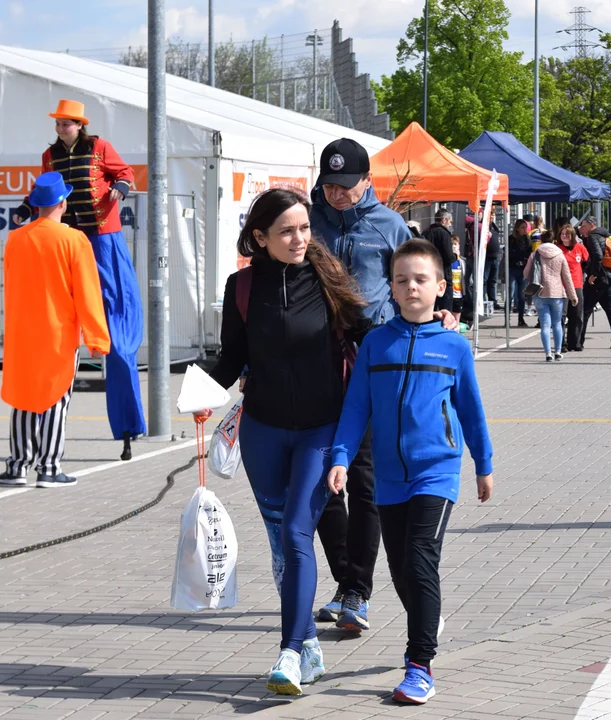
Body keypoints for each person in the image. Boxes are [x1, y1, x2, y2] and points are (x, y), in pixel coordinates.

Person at [205, 188, 370, 695]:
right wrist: (199, 388)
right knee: (281, 545)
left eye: (304, 228)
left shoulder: (328, 281)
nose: (300, 239)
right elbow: (232, 358)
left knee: (298, 532)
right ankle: (308, 646)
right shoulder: (242, 289)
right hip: (263, 434)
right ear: (261, 238)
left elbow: (370, 335)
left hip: (322, 431)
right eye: (287, 231)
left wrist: (431, 323)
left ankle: (290, 653)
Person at [326, 239, 493, 705]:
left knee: (419, 558)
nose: (411, 286)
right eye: (401, 280)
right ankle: (427, 611)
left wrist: (484, 464)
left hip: (436, 473)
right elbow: (357, 406)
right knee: (401, 569)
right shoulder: (377, 343)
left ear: (441, 287)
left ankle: (419, 665)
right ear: (391, 289)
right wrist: (340, 456)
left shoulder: (453, 346)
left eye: (420, 279)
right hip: (388, 476)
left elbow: (472, 411)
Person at [310, 137, 443, 634]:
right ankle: (346, 579)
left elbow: (418, 283)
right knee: (320, 474)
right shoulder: (310, 221)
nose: (338, 195)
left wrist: (438, 318)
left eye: (346, 187)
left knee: (363, 475)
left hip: (371, 357)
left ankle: (358, 592)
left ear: (368, 182)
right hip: (318, 357)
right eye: (330, 186)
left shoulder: (389, 225)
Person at [13, 100, 144, 461]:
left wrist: (121, 187)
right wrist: (25, 209)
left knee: (117, 341)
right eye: (57, 123)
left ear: (79, 125)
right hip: (68, 241)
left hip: (104, 241)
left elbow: (126, 174)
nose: (61, 128)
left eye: (66, 123)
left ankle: (128, 425)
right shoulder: (50, 156)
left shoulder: (99, 147)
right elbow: (43, 191)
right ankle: (38, 440)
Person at [0, 172, 111, 488]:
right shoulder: (74, 240)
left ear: (35, 205)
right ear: (63, 203)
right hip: (58, 333)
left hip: (22, 332)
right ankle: (48, 467)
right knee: (55, 399)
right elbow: (87, 292)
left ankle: (17, 466)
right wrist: (97, 337)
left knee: (23, 397)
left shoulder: (16, 238)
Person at [524, 238, 578, 361]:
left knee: (545, 326)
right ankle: (558, 352)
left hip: (540, 293)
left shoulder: (535, 253)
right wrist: (573, 296)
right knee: (557, 324)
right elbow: (567, 277)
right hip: (558, 294)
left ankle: (548, 354)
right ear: (554, 242)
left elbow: (526, 273)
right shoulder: (560, 255)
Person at [578, 218, 611, 350]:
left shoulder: (593, 237)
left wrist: (594, 274)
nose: (582, 229)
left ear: (591, 226)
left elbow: (598, 256)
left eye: (584, 226)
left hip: (599, 280)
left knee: (585, 310)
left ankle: (578, 341)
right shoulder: (607, 236)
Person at [556, 224, 588, 352]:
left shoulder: (580, 248)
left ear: (573, 236)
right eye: (563, 234)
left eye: (567, 234)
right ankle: (561, 343)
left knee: (577, 316)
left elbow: (587, 261)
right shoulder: (557, 249)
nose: (565, 236)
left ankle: (575, 342)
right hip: (561, 286)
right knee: (561, 316)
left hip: (577, 285)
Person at [424, 210, 456, 314]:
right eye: (450, 222)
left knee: (431, 310)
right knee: (445, 310)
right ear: (444, 220)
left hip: (429, 274)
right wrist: (455, 255)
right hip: (443, 275)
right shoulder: (444, 233)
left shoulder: (426, 232)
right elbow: (448, 257)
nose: (450, 224)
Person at [507, 219, 533, 327]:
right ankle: (507, 318)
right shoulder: (511, 239)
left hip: (522, 269)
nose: (524, 229)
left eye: (525, 227)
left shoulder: (527, 239)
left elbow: (529, 252)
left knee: (522, 294)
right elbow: (510, 253)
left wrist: (524, 260)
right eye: (522, 227)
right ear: (517, 228)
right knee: (510, 293)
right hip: (513, 268)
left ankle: (521, 318)